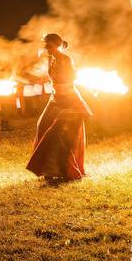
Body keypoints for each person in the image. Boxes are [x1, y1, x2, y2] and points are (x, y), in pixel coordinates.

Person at [26, 34, 91, 182]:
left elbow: (71, 78)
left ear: (57, 45)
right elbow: (52, 78)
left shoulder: (66, 59)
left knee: (59, 133)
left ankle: (62, 169)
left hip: (68, 99)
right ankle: (46, 168)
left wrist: (65, 99)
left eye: (48, 45)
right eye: (45, 45)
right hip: (55, 98)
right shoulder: (50, 59)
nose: (46, 48)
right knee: (42, 125)